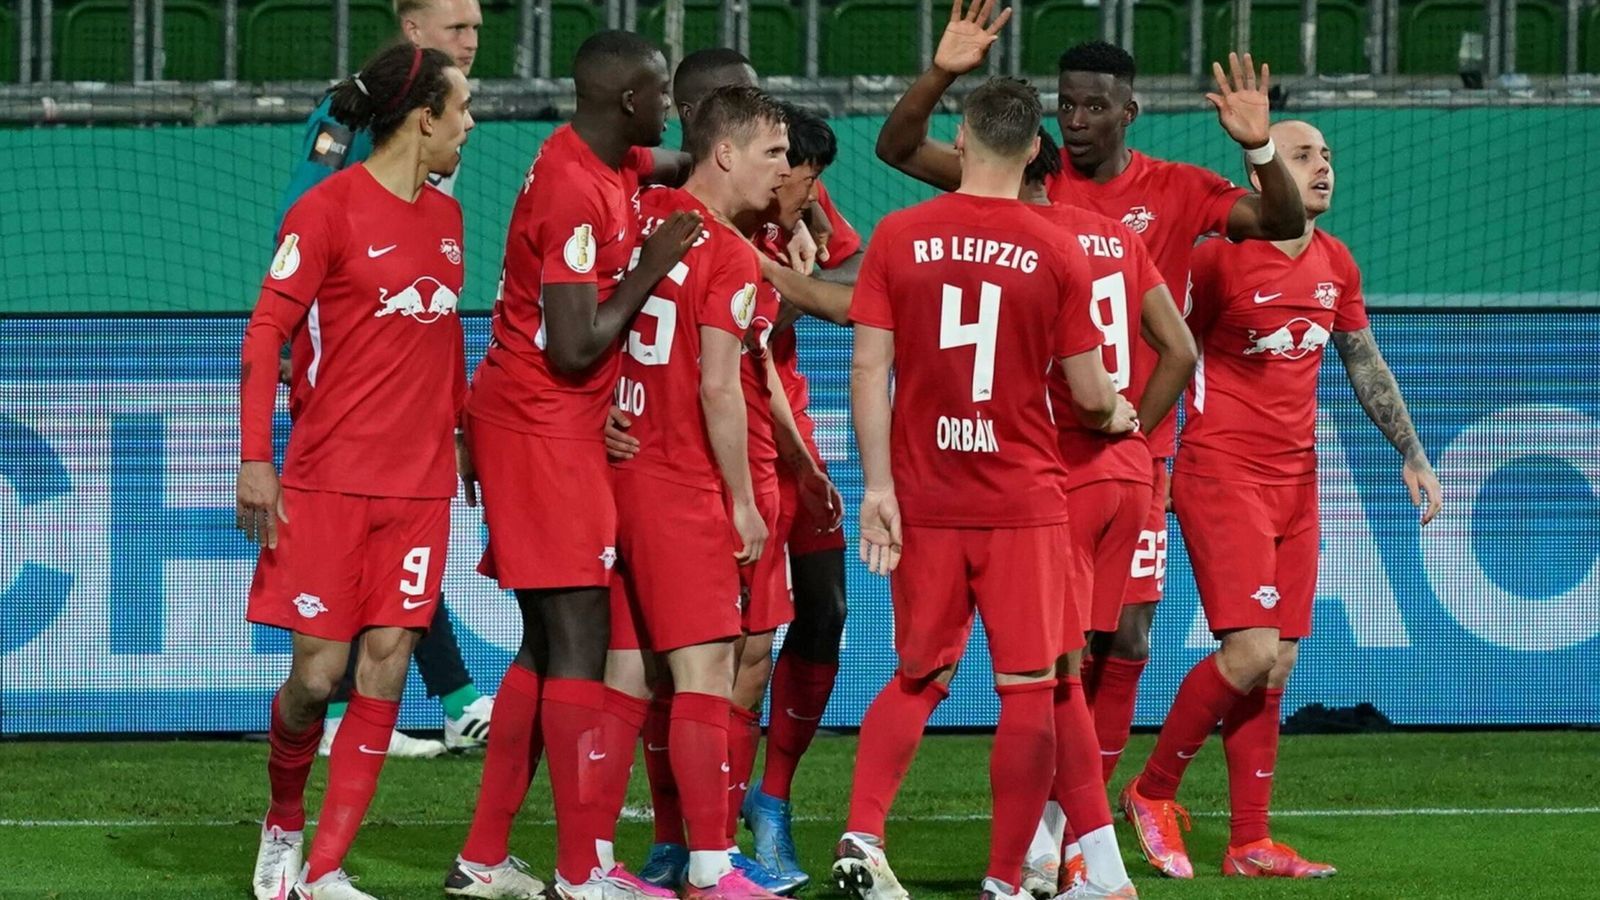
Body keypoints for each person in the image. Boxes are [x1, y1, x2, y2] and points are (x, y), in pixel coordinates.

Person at [874, 3, 1307, 879]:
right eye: (1065, 103)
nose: (1075, 119)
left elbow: (1279, 220)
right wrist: (944, 71)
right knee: (1055, 652)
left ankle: (1076, 835)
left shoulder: (1177, 190)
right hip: (1028, 461)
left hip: (1125, 459)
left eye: (1093, 105)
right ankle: (1054, 845)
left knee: (1128, 638)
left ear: (1128, 112)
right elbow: (897, 147)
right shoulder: (1021, 178)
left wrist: (1261, 147)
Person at [836, 75, 1136, 900]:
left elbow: (867, 369)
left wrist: (877, 488)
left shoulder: (899, 233)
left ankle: (863, 832)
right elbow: (1088, 392)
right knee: (1032, 690)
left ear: (961, 138)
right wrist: (1116, 410)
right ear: (1037, 147)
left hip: (926, 497)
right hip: (1022, 502)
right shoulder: (1059, 247)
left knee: (918, 676)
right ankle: (1006, 880)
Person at [1120, 119, 1441, 881]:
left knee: (1279, 663)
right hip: (1221, 472)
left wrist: (1412, 452)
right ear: (1264, 173)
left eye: (1328, 156)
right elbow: (1165, 350)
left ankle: (1250, 843)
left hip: (1299, 481)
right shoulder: (1216, 258)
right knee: (1252, 651)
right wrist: (1151, 457)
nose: (1323, 167)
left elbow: (1363, 360)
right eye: (1303, 156)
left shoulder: (1337, 261)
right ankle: (1152, 790)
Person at [447, 29, 700, 900]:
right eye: (661, 93)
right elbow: (573, 346)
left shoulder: (609, 158)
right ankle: (580, 869)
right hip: (541, 427)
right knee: (581, 643)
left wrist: (725, 152)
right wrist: (652, 269)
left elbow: (673, 160)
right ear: (628, 100)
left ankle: (483, 857)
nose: (668, 107)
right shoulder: (573, 191)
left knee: (545, 642)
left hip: (548, 424)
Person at [606, 51, 853, 896]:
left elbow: (757, 358)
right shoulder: (705, 238)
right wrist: (745, 497)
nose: (789, 172)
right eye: (775, 153)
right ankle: (699, 854)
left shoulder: (656, 214)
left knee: (667, 664)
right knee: (700, 668)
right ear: (719, 143)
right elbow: (722, 382)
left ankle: (608, 857)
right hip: (703, 472)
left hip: (696, 464)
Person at [241, 43, 474, 900]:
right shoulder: (326, 211)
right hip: (327, 479)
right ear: (424, 116)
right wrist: (256, 460)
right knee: (315, 680)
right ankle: (283, 824)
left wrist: (462, 433)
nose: (470, 124)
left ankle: (327, 869)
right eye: (462, 108)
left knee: (387, 666)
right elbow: (266, 334)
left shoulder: (448, 220)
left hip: (419, 490)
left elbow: (444, 339)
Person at [276, 0, 491, 760]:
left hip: (409, 360)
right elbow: (302, 217)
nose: (472, 39)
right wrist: (295, 334)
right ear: (413, 31)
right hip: (350, 365)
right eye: (458, 27)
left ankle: (436, 701)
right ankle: (395, 704)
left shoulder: (449, 121)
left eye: (477, 27)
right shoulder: (362, 111)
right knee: (369, 538)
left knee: (399, 536)